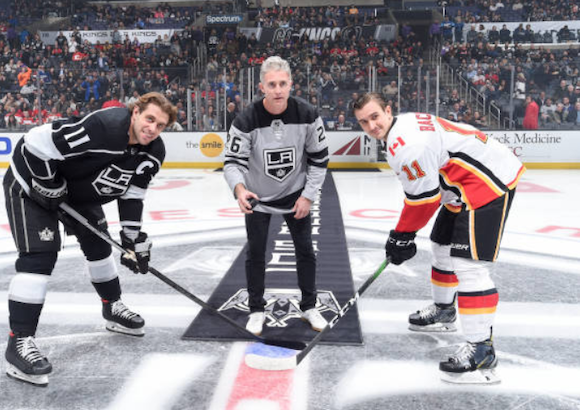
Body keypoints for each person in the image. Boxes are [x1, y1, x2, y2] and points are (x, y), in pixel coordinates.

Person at [2, 92, 177, 386]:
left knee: (99, 247)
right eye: (149, 119)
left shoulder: (152, 153)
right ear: (135, 112)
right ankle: (18, 342)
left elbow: (133, 194)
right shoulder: (105, 127)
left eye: (160, 125)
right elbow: (35, 142)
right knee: (39, 258)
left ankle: (112, 306)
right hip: (30, 185)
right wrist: (49, 184)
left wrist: (132, 240)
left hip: (74, 192)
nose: (153, 129)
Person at [353, 93, 525, 384]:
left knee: (468, 265)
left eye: (374, 117)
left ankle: (482, 349)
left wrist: (401, 236)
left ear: (388, 110)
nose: (371, 125)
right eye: (363, 122)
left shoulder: (406, 144)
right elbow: (427, 192)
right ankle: (445, 311)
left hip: (487, 183)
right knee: (441, 245)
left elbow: (424, 200)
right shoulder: (402, 128)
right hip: (460, 184)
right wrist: (403, 235)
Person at [223, 56, 329, 336]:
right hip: (259, 198)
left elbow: (319, 160)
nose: (278, 89)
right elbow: (232, 162)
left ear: (291, 84)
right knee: (256, 253)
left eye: (283, 83)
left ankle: (309, 305)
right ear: (262, 87)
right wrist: (239, 188)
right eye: (272, 84)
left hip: (296, 197)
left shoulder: (308, 114)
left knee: (305, 251)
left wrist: (307, 196)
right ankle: (257, 309)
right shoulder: (246, 119)